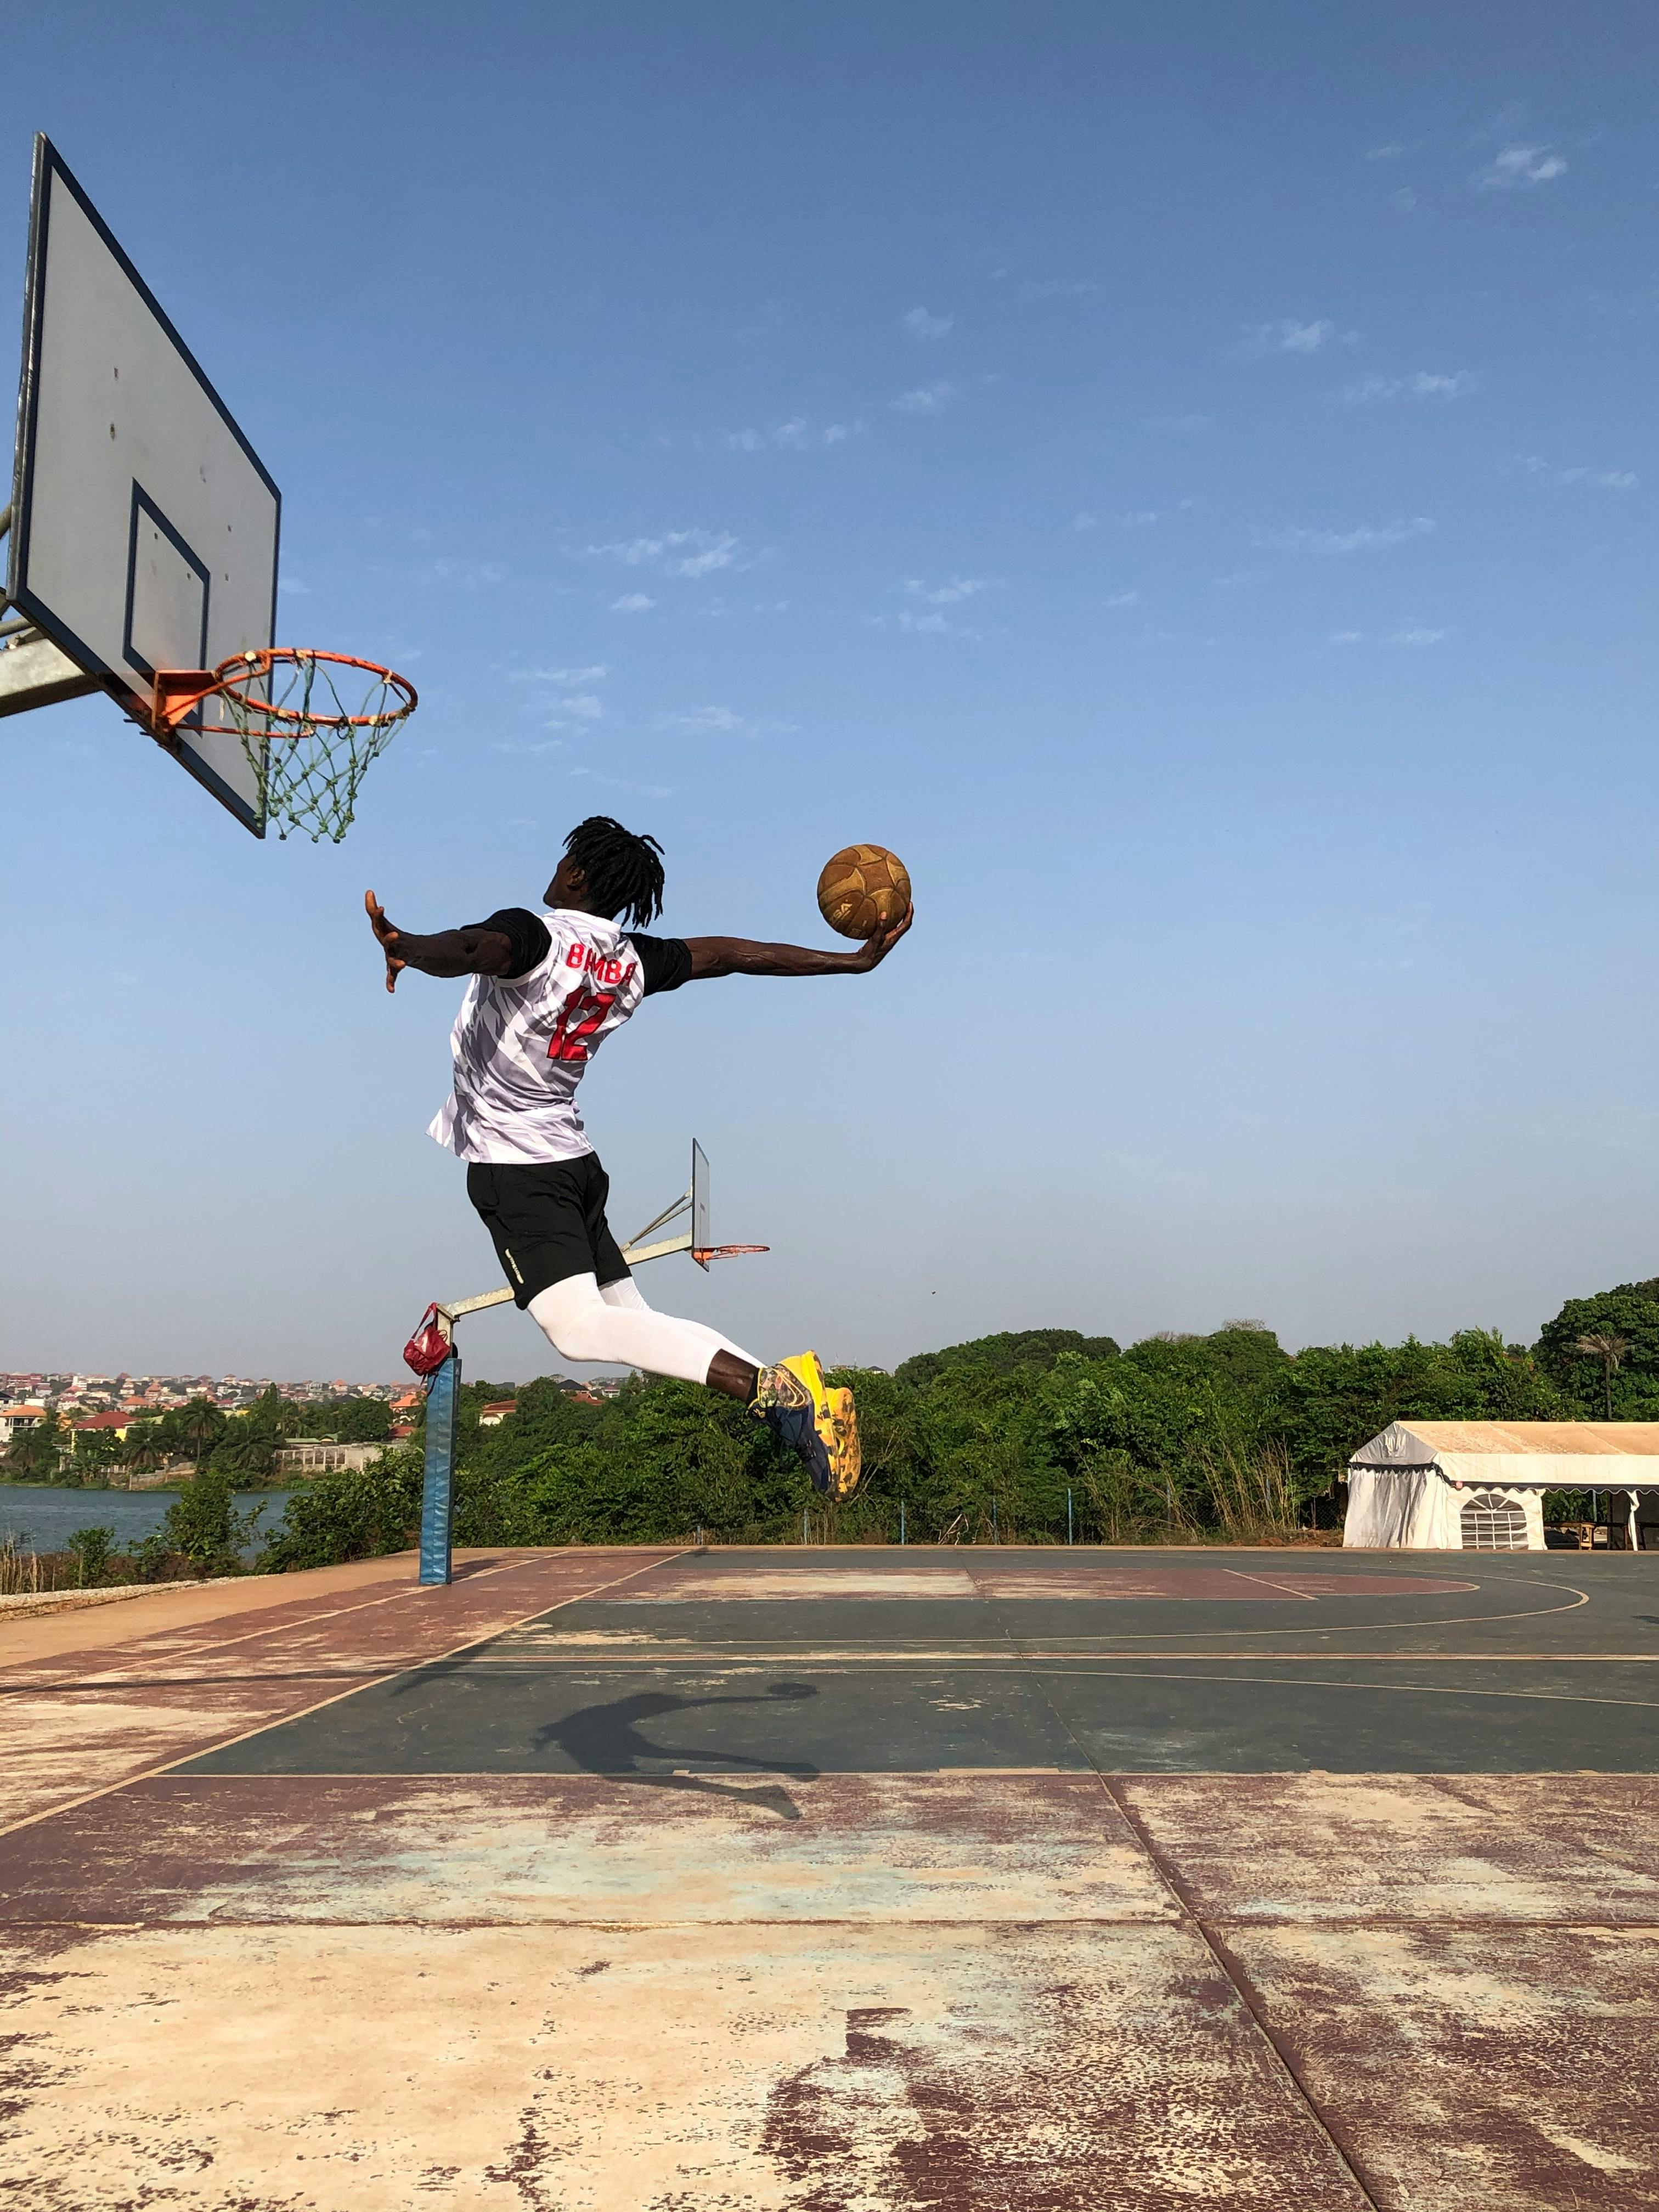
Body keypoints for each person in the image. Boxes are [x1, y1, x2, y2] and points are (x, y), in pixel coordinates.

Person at [366, 815, 912, 1500]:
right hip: (573, 1163)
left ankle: (776, 1392)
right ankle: (800, 1398)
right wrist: (851, 963)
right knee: (644, 1333)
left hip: (518, 1169)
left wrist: (410, 946)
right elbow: (739, 954)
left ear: (575, 875)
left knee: (576, 1330)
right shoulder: (632, 960)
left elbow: (477, 945)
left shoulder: (534, 934)